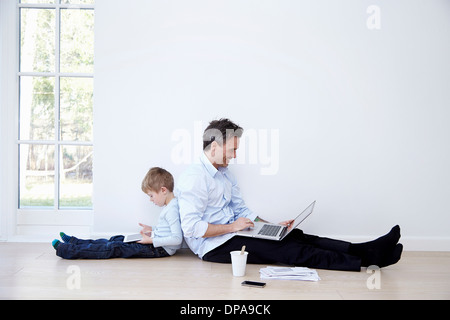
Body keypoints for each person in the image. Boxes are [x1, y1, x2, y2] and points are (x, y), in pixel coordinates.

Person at [176, 118, 403, 271]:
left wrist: (271, 226)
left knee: (295, 236)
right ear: (214, 146)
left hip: (235, 232)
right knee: (288, 249)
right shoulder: (194, 179)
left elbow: (242, 211)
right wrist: (232, 227)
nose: (235, 155)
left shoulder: (226, 175)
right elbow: (192, 228)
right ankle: (365, 261)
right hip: (215, 246)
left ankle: (365, 249)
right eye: (232, 149)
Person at [52, 167, 182, 259]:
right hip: (155, 244)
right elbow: (167, 230)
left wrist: (151, 240)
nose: (151, 200)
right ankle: (76, 242)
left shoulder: (172, 209)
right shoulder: (169, 206)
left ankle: (68, 250)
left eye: (151, 196)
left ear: (163, 190)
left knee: (114, 247)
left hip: (158, 249)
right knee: (117, 239)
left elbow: (177, 239)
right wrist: (152, 229)